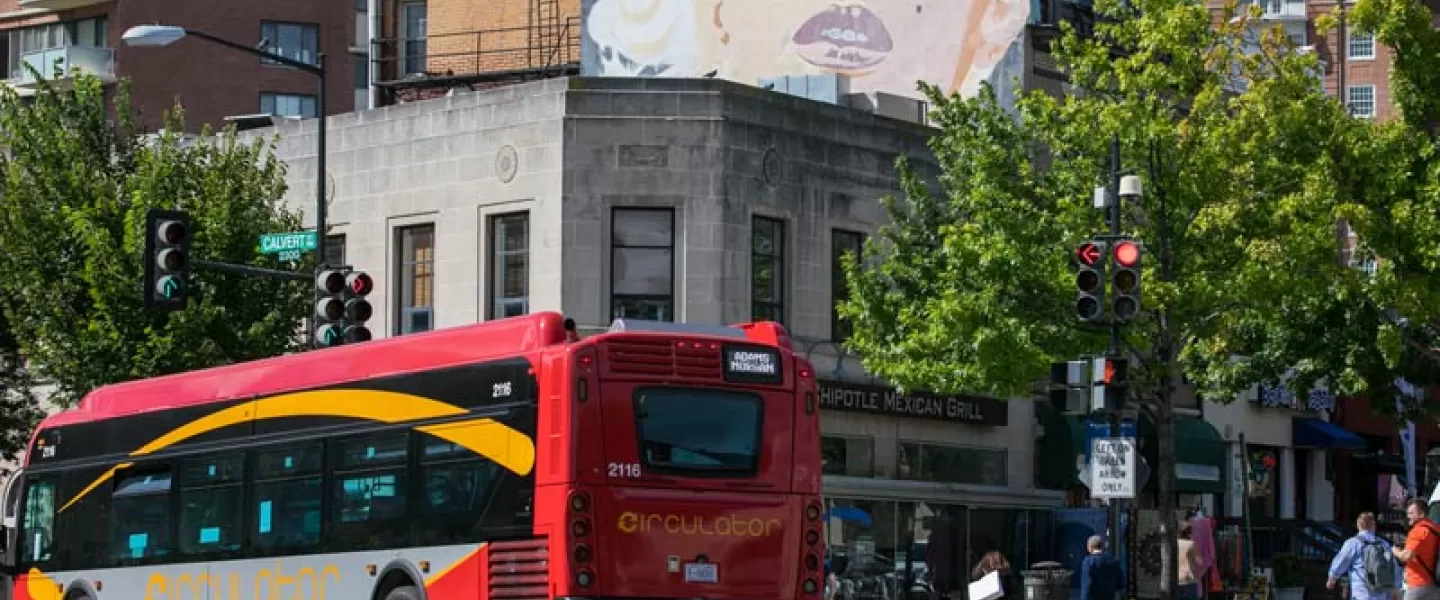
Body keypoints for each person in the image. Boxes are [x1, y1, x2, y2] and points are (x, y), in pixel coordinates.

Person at [1327, 512, 1402, 600]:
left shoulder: (1353, 543)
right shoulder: (1383, 544)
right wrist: (1396, 587)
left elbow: (1342, 560)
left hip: (1362, 592)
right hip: (1382, 592)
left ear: (1358, 525)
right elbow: (1393, 567)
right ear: (1373, 525)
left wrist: (1332, 578)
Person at [1393, 499, 1440, 600]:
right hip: (1434, 585)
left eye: (1411, 513)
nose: (1408, 516)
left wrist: (1396, 551)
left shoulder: (1418, 531)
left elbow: (1406, 556)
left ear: (1421, 514)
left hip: (1417, 584)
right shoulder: (1436, 529)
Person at [1079, 535, 1125, 600]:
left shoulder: (1088, 562)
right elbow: (1121, 584)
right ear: (1103, 547)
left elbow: (1086, 586)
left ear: (1090, 547)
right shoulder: (1114, 562)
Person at [1177, 524, 1202, 600]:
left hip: (1176, 580)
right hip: (1188, 580)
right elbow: (1200, 561)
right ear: (1188, 533)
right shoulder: (1191, 544)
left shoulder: (1174, 544)